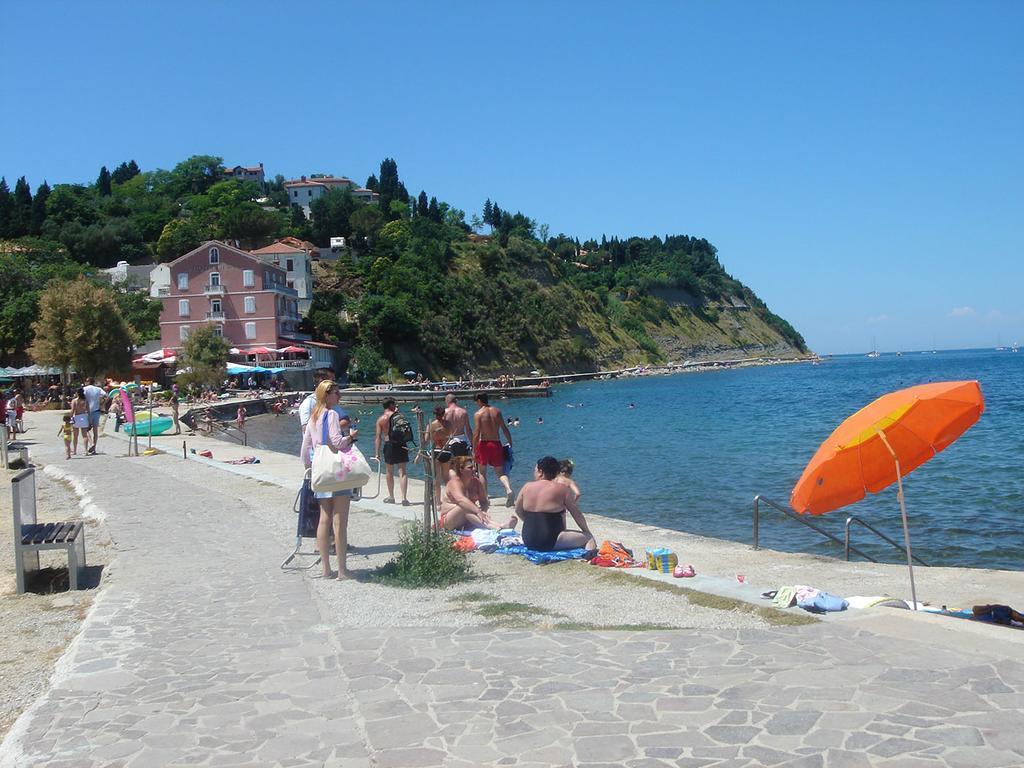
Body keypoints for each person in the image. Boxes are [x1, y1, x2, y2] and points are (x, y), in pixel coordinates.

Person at [301, 380, 359, 579]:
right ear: (326, 395)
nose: (339, 396)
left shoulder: (313, 417)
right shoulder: (332, 414)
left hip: (320, 470)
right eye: (336, 393)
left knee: (323, 519)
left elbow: (305, 448)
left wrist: (309, 467)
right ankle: (342, 570)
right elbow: (337, 442)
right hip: (336, 473)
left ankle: (326, 569)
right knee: (340, 521)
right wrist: (350, 437)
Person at [515, 456, 596, 552]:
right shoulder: (562, 489)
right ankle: (589, 557)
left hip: (528, 540)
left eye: (535, 470)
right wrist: (586, 531)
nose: (534, 473)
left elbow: (518, 510)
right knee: (588, 538)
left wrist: (530, 523)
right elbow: (577, 514)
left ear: (541, 472)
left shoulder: (526, 487)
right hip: (550, 541)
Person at [439, 457, 517, 531]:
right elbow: (461, 500)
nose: (474, 469)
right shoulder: (454, 483)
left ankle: (500, 526)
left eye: (474, 466)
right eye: (470, 467)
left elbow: (484, 501)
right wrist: (478, 511)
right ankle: (494, 527)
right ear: (461, 470)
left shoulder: (476, 482)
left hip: (468, 518)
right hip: (449, 520)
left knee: (469, 508)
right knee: (463, 507)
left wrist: (483, 512)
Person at [472, 392, 515, 506]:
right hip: (496, 443)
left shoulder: (478, 414)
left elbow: (476, 433)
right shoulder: (497, 411)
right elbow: (505, 429)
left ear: (480, 401)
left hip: (484, 444)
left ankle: (485, 498)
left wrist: (474, 448)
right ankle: (508, 489)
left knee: (482, 472)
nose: (476, 404)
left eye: (477, 402)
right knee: (500, 473)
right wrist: (510, 442)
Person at [375, 398, 409, 505]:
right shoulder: (399, 416)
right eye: (394, 404)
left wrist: (377, 453)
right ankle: (404, 498)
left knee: (389, 471)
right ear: (391, 405)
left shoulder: (381, 419)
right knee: (402, 471)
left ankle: (391, 496)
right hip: (401, 443)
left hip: (389, 444)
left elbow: (378, 437)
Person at [425, 405, 453, 505]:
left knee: (437, 477)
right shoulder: (448, 424)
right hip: (446, 451)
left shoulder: (431, 425)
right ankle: (450, 498)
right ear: (443, 414)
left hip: (436, 451)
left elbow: (426, 439)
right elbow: (451, 436)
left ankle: (438, 501)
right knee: (446, 477)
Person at [70, 387, 91, 455]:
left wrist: (70, 418)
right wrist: (89, 420)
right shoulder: (85, 400)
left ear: (77, 393)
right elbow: (88, 410)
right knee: (85, 435)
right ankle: (86, 450)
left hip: (77, 417)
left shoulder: (74, 401)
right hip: (83, 417)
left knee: (75, 435)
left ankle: (75, 450)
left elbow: (72, 410)